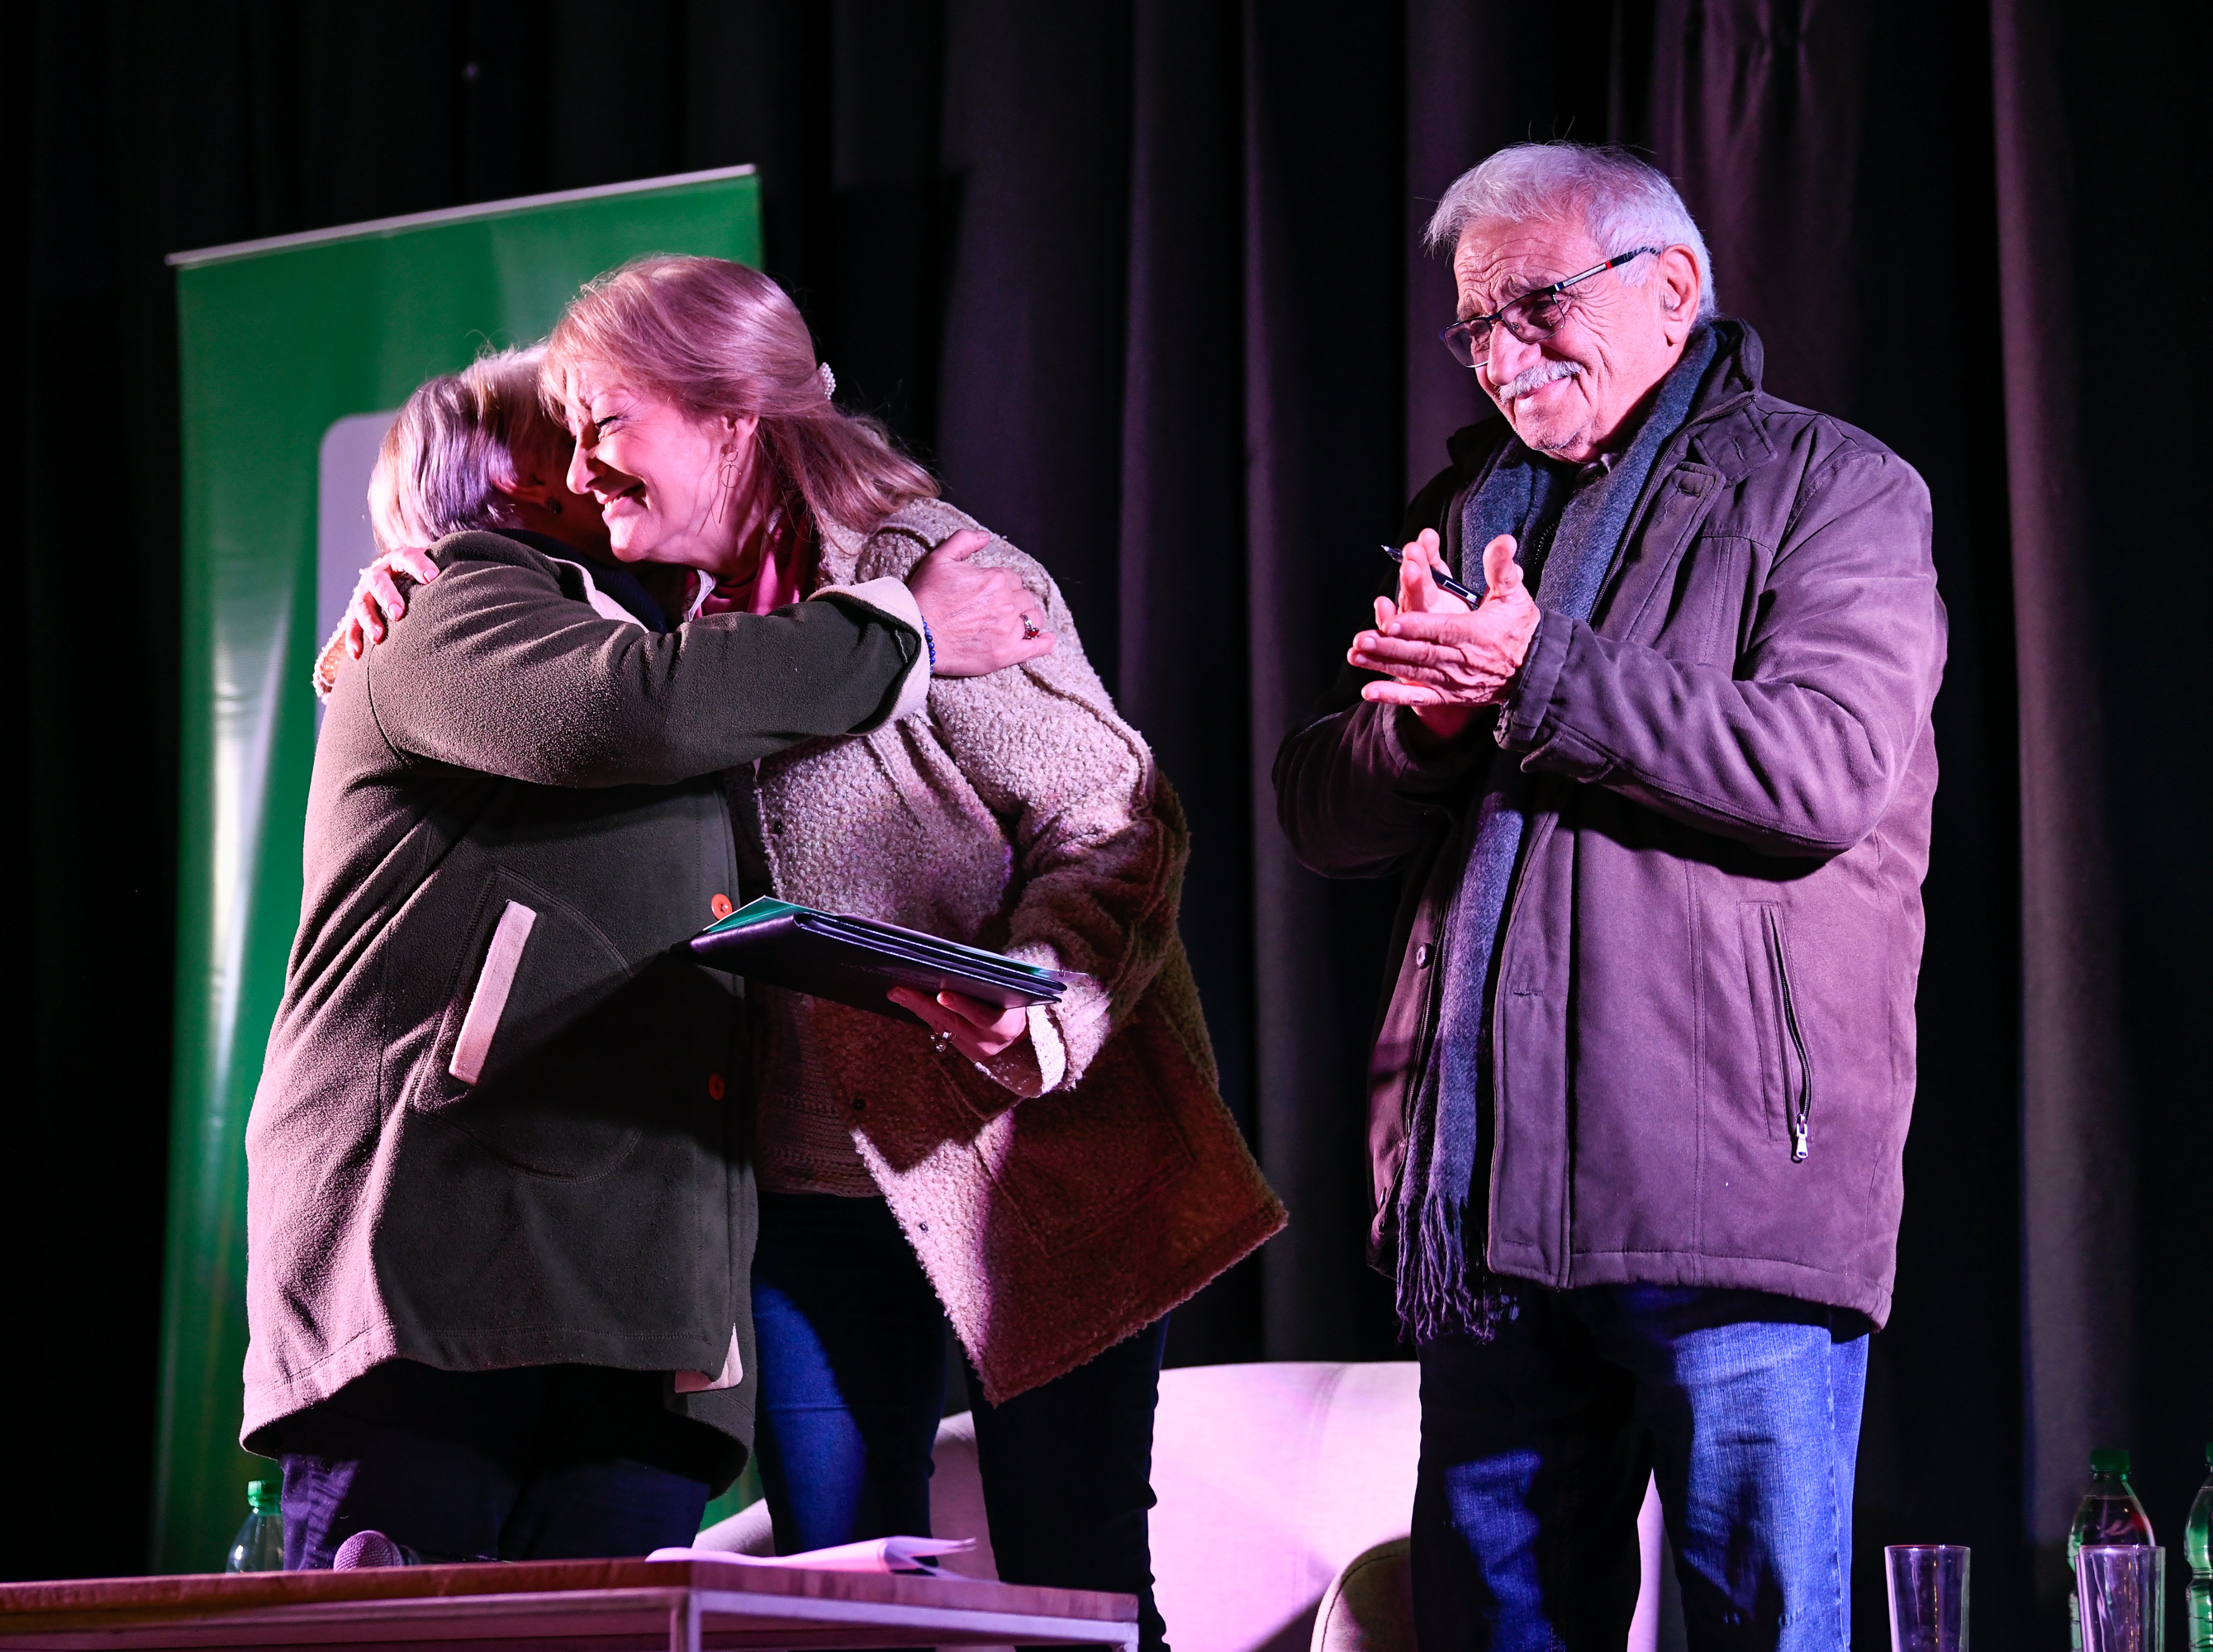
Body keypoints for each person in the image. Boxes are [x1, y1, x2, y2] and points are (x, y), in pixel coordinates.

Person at [340, 257, 1282, 1647]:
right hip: (808, 1205)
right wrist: (402, 576)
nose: (581, 466)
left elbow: (1115, 818)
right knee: (833, 1608)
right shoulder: (674, 626)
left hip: (1035, 1162)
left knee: (1070, 1594)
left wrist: (1049, 1005)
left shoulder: (941, 575)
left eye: (604, 424)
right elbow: (568, 687)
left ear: (731, 417)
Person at [1273, 144, 1945, 1650]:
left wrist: (1532, 672)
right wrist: (1434, 729)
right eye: (1474, 327)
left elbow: (1822, 770)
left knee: (1759, 1626)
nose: (1503, 358)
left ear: (1672, 289)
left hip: (1731, 1197)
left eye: (1536, 308)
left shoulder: (1832, 487)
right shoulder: (1465, 508)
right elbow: (1320, 805)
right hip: (1492, 1206)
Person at [245, 346, 1048, 1569]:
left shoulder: (679, 645)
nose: (608, 449)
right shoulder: (454, 602)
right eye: (571, 425)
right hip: (442, 1308)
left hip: (631, 1335)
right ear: (513, 476)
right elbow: (632, 708)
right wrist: (903, 631)